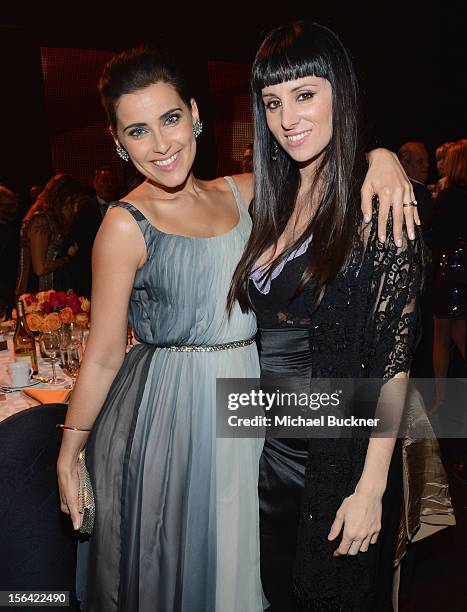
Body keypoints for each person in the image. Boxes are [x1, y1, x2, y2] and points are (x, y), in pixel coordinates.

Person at [56, 45, 417, 612]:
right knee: (177, 562)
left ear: (195, 114)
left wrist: (380, 156)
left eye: (170, 119)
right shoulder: (124, 225)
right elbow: (102, 356)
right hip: (172, 415)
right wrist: (69, 450)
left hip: (261, 411)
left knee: (244, 563)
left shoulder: (248, 192)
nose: (162, 143)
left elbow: (325, 175)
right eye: (138, 131)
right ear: (118, 143)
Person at [228, 21, 425, 611]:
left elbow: (394, 363)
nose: (288, 118)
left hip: (334, 463)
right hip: (261, 454)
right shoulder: (273, 199)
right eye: (272, 102)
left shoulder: (377, 208)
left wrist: (371, 488)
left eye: (305, 94)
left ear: (339, 89)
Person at [432, 139, 467, 412]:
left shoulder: (447, 197)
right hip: (461, 270)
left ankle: (440, 398)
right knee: (457, 330)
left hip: (449, 270)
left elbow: (434, 235)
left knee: (443, 334)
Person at [15, 174, 87, 295]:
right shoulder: (41, 222)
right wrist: (67, 258)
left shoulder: (56, 222)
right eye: (76, 204)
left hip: (52, 292)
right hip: (35, 295)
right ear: (67, 200)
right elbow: (40, 269)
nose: (76, 210)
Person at [70, 165, 121, 297]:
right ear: (95, 183)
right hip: (91, 275)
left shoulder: (124, 208)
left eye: (113, 181)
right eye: (105, 180)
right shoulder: (83, 209)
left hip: (119, 273)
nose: (109, 185)